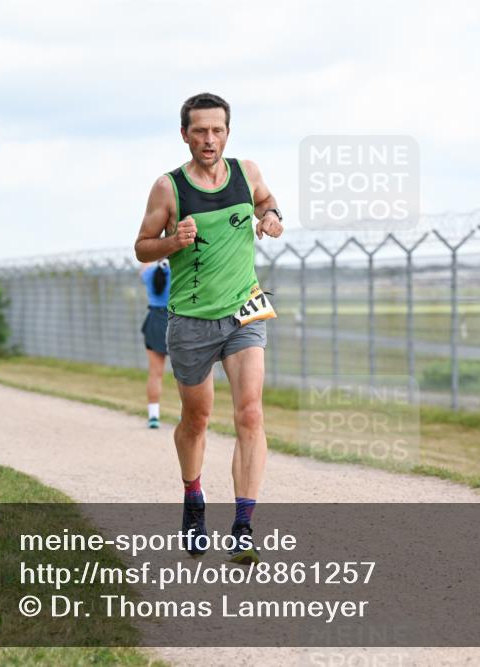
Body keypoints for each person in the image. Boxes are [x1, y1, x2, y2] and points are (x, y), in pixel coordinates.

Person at [133, 92, 283, 564]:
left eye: (217, 130)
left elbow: (266, 200)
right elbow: (141, 247)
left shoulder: (247, 172)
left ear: (228, 133)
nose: (209, 139)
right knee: (196, 420)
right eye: (199, 130)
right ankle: (194, 498)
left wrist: (272, 216)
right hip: (192, 321)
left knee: (251, 414)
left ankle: (243, 525)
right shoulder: (168, 188)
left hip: (245, 311)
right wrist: (171, 241)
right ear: (185, 135)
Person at [139, 259, 171, 428]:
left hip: (154, 321)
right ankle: (185, 415)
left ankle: (153, 416)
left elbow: (143, 261)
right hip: (176, 320)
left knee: (155, 373)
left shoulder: (149, 273)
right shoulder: (178, 272)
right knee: (185, 374)